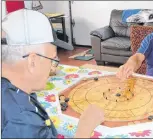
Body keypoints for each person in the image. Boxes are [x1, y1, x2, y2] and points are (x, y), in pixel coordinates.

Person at [2, 9, 104, 138]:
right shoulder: (24, 123)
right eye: (52, 59)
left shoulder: (13, 91)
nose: (52, 68)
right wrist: (85, 127)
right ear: (32, 62)